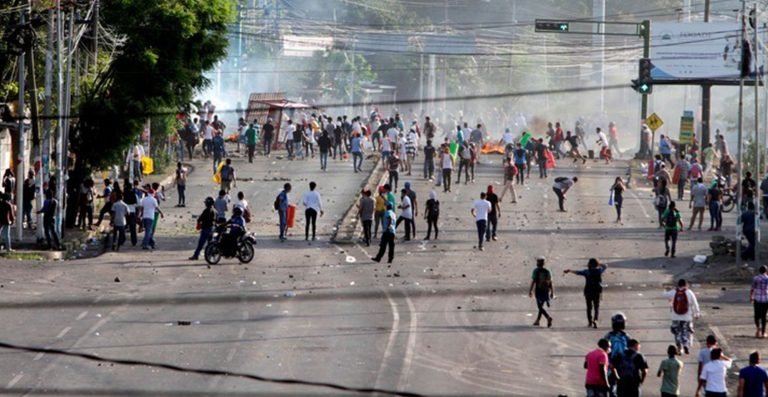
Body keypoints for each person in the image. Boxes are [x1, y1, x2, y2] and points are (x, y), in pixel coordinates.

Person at [564, 258, 607, 328]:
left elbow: (578, 272)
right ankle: (595, 320)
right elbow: (605, 266)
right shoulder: (599, 270)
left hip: (588, 291)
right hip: (597, 291)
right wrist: (599, 264)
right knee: (596, 307)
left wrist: (570, 271)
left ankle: (590, 322)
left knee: (589, 307)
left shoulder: (587, 272)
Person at [664, 279, 701, 355]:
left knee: (677, 333)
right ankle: (685, 345)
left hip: (675, 317)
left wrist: (667, 291)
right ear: (686, 285)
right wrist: (697, 313)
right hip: (687, 317)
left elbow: (664, 295)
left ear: (678, 284)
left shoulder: (674, 292)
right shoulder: (689, 292)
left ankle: (679, 347)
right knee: (685, 332)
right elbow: (695, 303)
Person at [528, 257, 554, 327]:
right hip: (546, 291)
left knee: (539, 307)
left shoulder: (536, 271)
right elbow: (551, 282)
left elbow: (533, 281)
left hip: (538, 290)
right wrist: (552, 292)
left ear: (538, 264)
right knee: (541, 306)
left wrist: (530, 290)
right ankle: (538, 320)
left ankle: (548, 317)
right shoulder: (548, 271)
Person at [752, 266, 768, 339]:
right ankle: (763, 332)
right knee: (764, 316)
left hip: (757, 298)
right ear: (766, 271)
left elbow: (753, 288)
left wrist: (751, 297)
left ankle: (758, 329)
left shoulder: (756, 278)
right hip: (765, 299)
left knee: (756, 315)